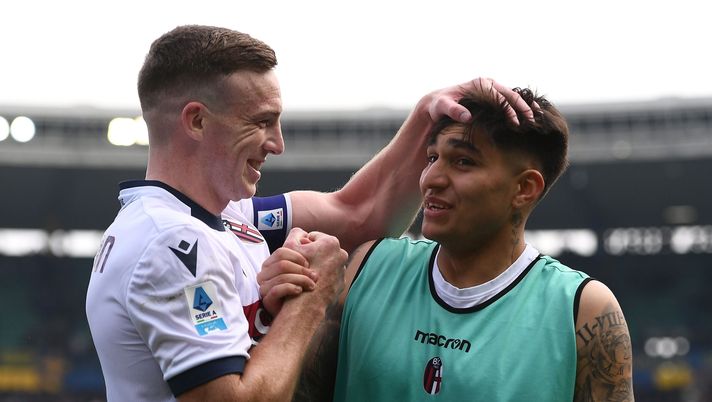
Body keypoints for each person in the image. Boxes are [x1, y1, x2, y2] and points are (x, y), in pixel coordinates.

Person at [85, 24, 535, 402]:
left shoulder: (229, 216)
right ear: (197, 121)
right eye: (261, 122)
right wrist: (311, 298)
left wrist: (425, 117)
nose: (277, 143)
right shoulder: (170, 244)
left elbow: (359, 214)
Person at [266, 86, 634, 401]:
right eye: (431, 158)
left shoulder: (582, 309)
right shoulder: (367, 267)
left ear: (524, 188)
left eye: (463, 161)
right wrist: (274, 313)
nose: (431, 179)